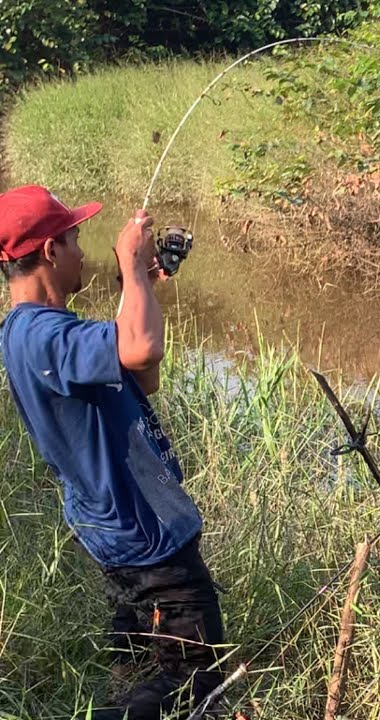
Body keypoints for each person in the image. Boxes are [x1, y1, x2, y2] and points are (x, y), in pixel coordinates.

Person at [0, 185, 225, 719]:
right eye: (75, 240)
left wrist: (140, 282)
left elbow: (140, 374)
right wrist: (127, 256)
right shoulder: (42, 335)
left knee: (137, 668)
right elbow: (143, 347)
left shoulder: (39, 333)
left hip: (115, 530)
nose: (83, 252)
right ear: (51, 251)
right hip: (145, 538)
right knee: (194, 689)